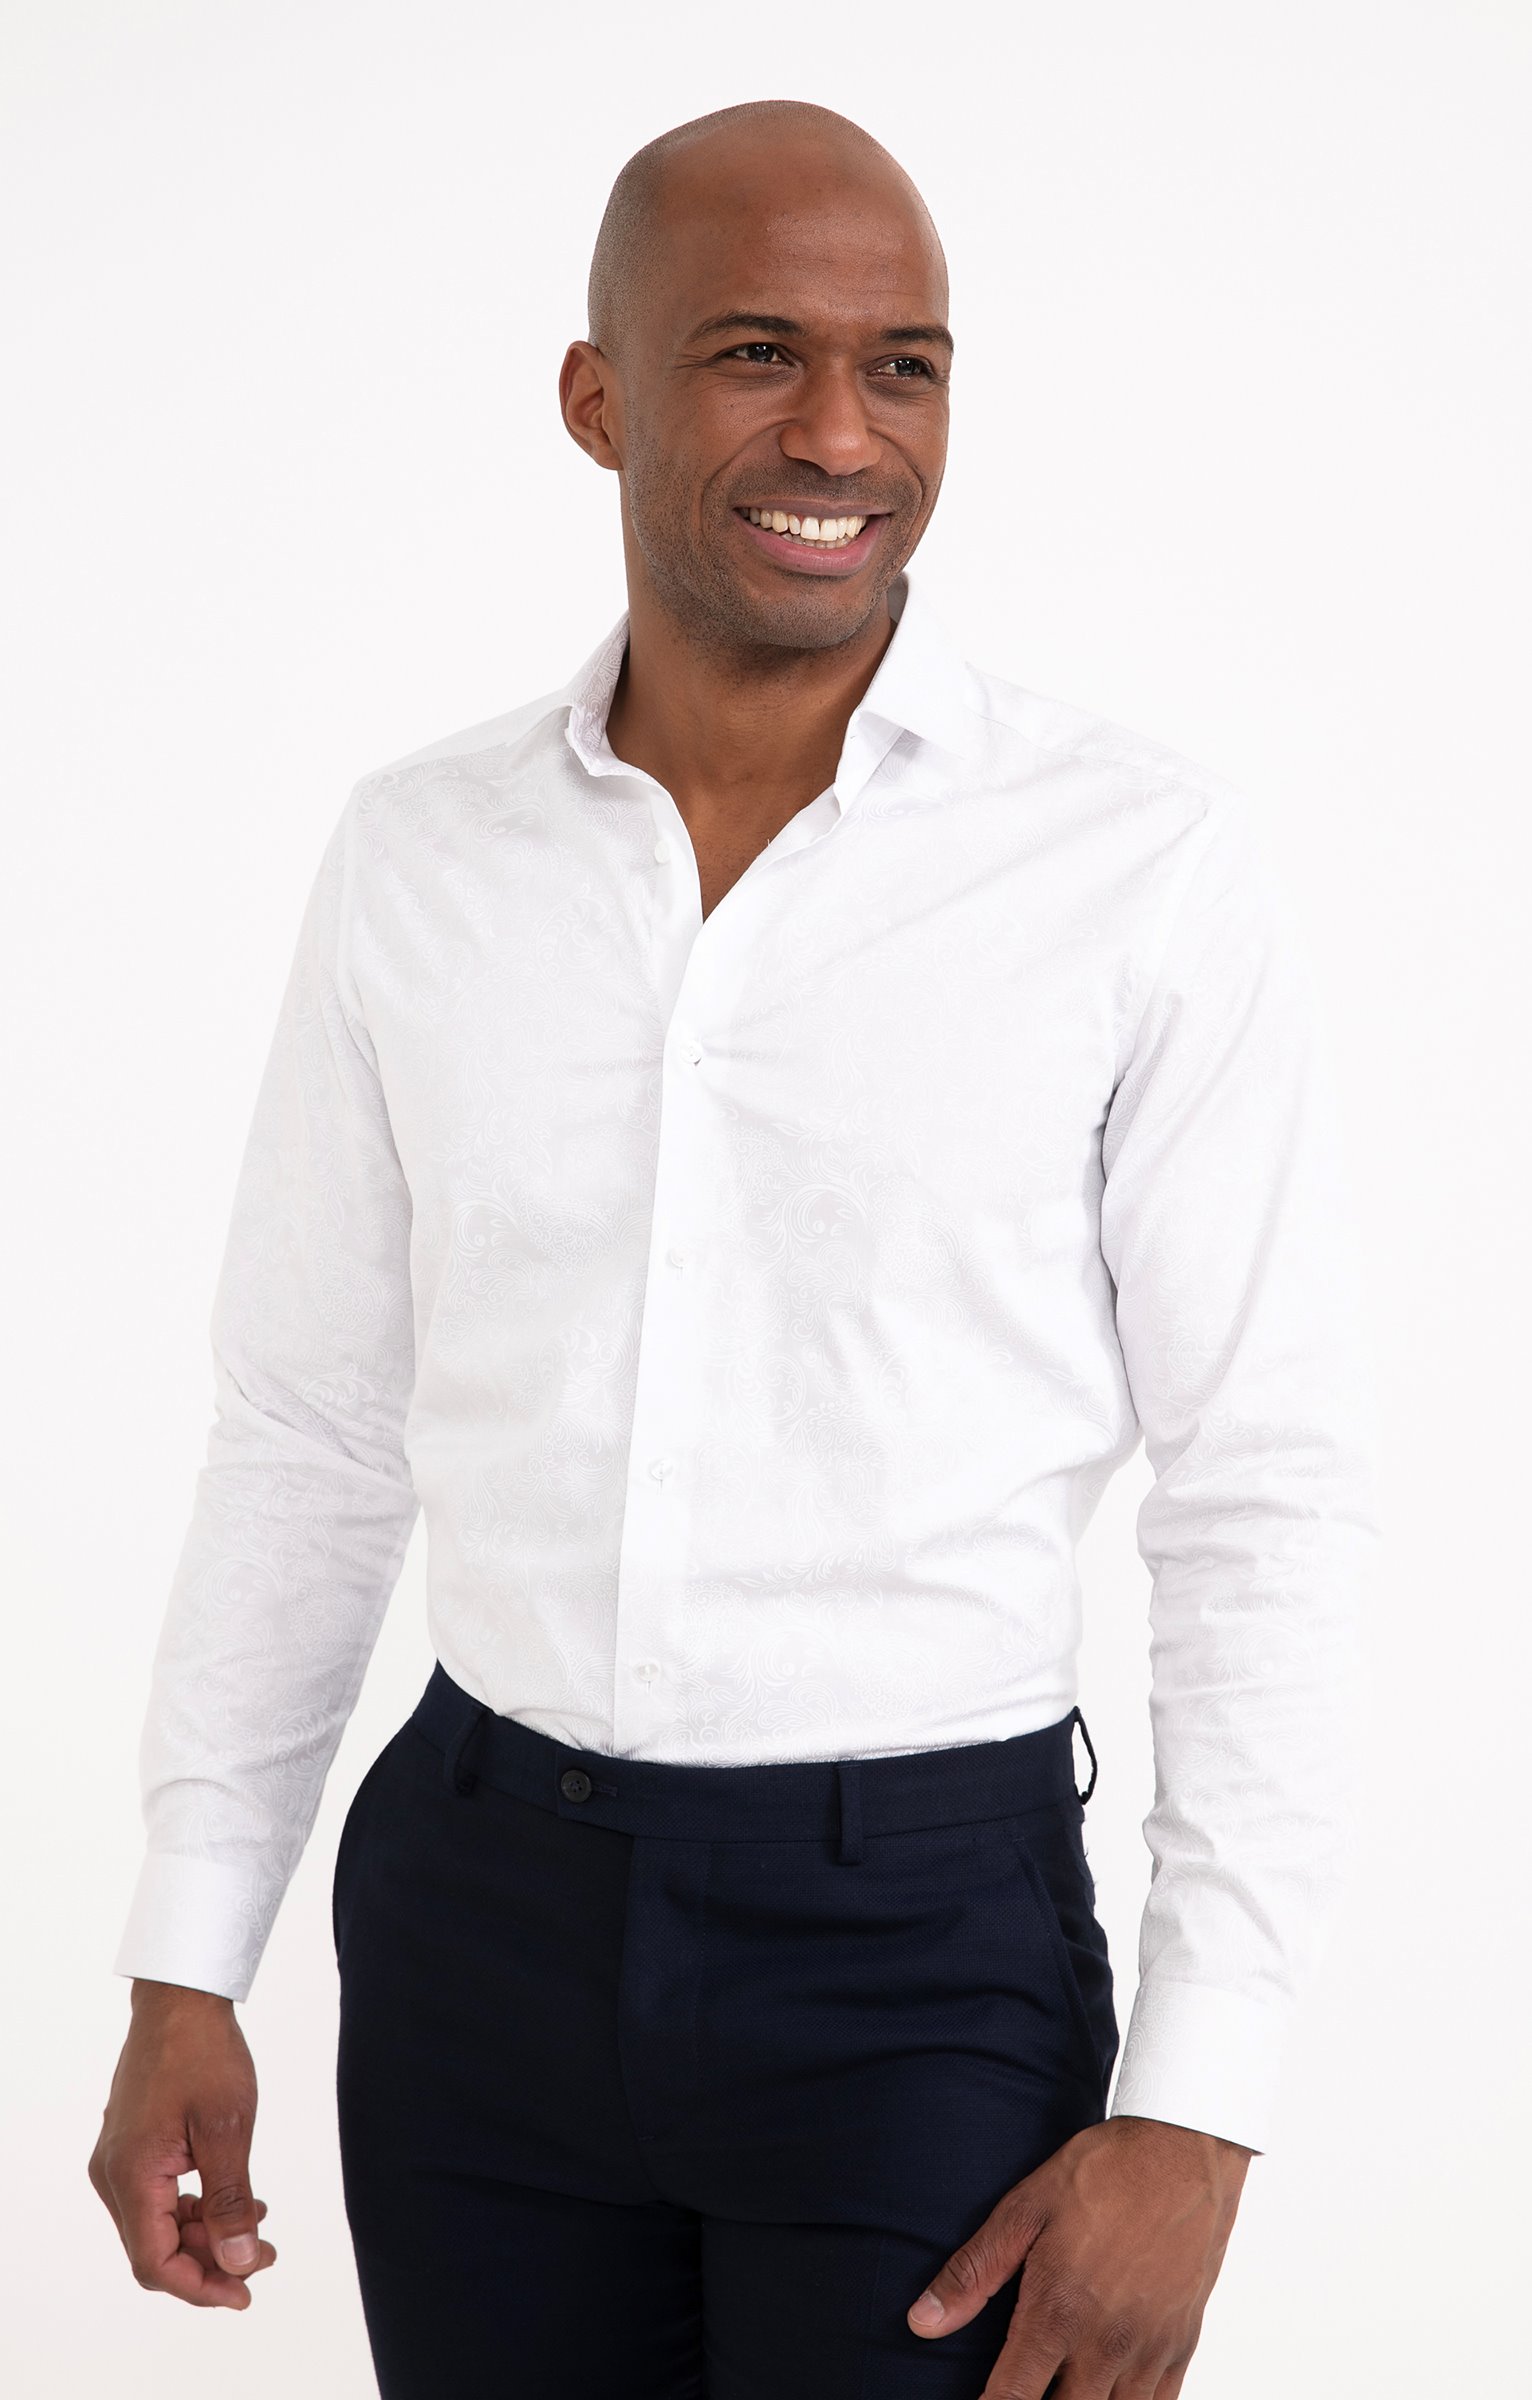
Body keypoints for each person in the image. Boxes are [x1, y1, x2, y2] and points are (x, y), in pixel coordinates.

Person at [89, 98, 1378, 2399]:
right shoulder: (418, 856)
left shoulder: (1136, 870)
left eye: (905, 367)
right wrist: (191, 1952)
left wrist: (1199, 2104)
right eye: (758, 353)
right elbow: (307, 1430)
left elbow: (1263, 1487)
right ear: (597, 398)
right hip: (474, 1922)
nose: (842, 436)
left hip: (920, 1954)